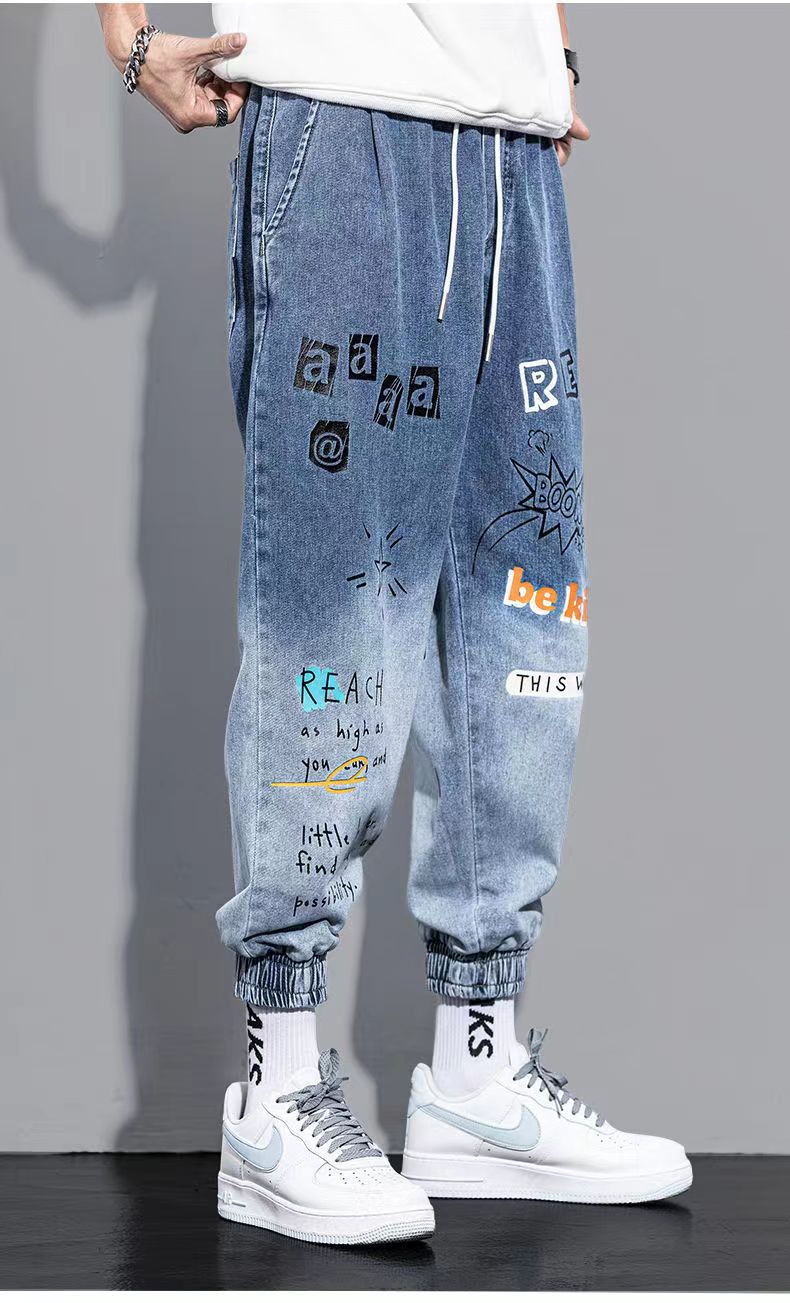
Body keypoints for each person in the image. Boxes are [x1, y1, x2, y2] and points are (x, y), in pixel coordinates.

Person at [97, 1, 691, 1247]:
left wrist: (548, 49)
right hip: (342, 125)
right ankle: (275, 1087)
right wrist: (129, 37)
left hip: (511, 146)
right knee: (335, 616)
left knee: (520, 615)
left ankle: (477, 1070)